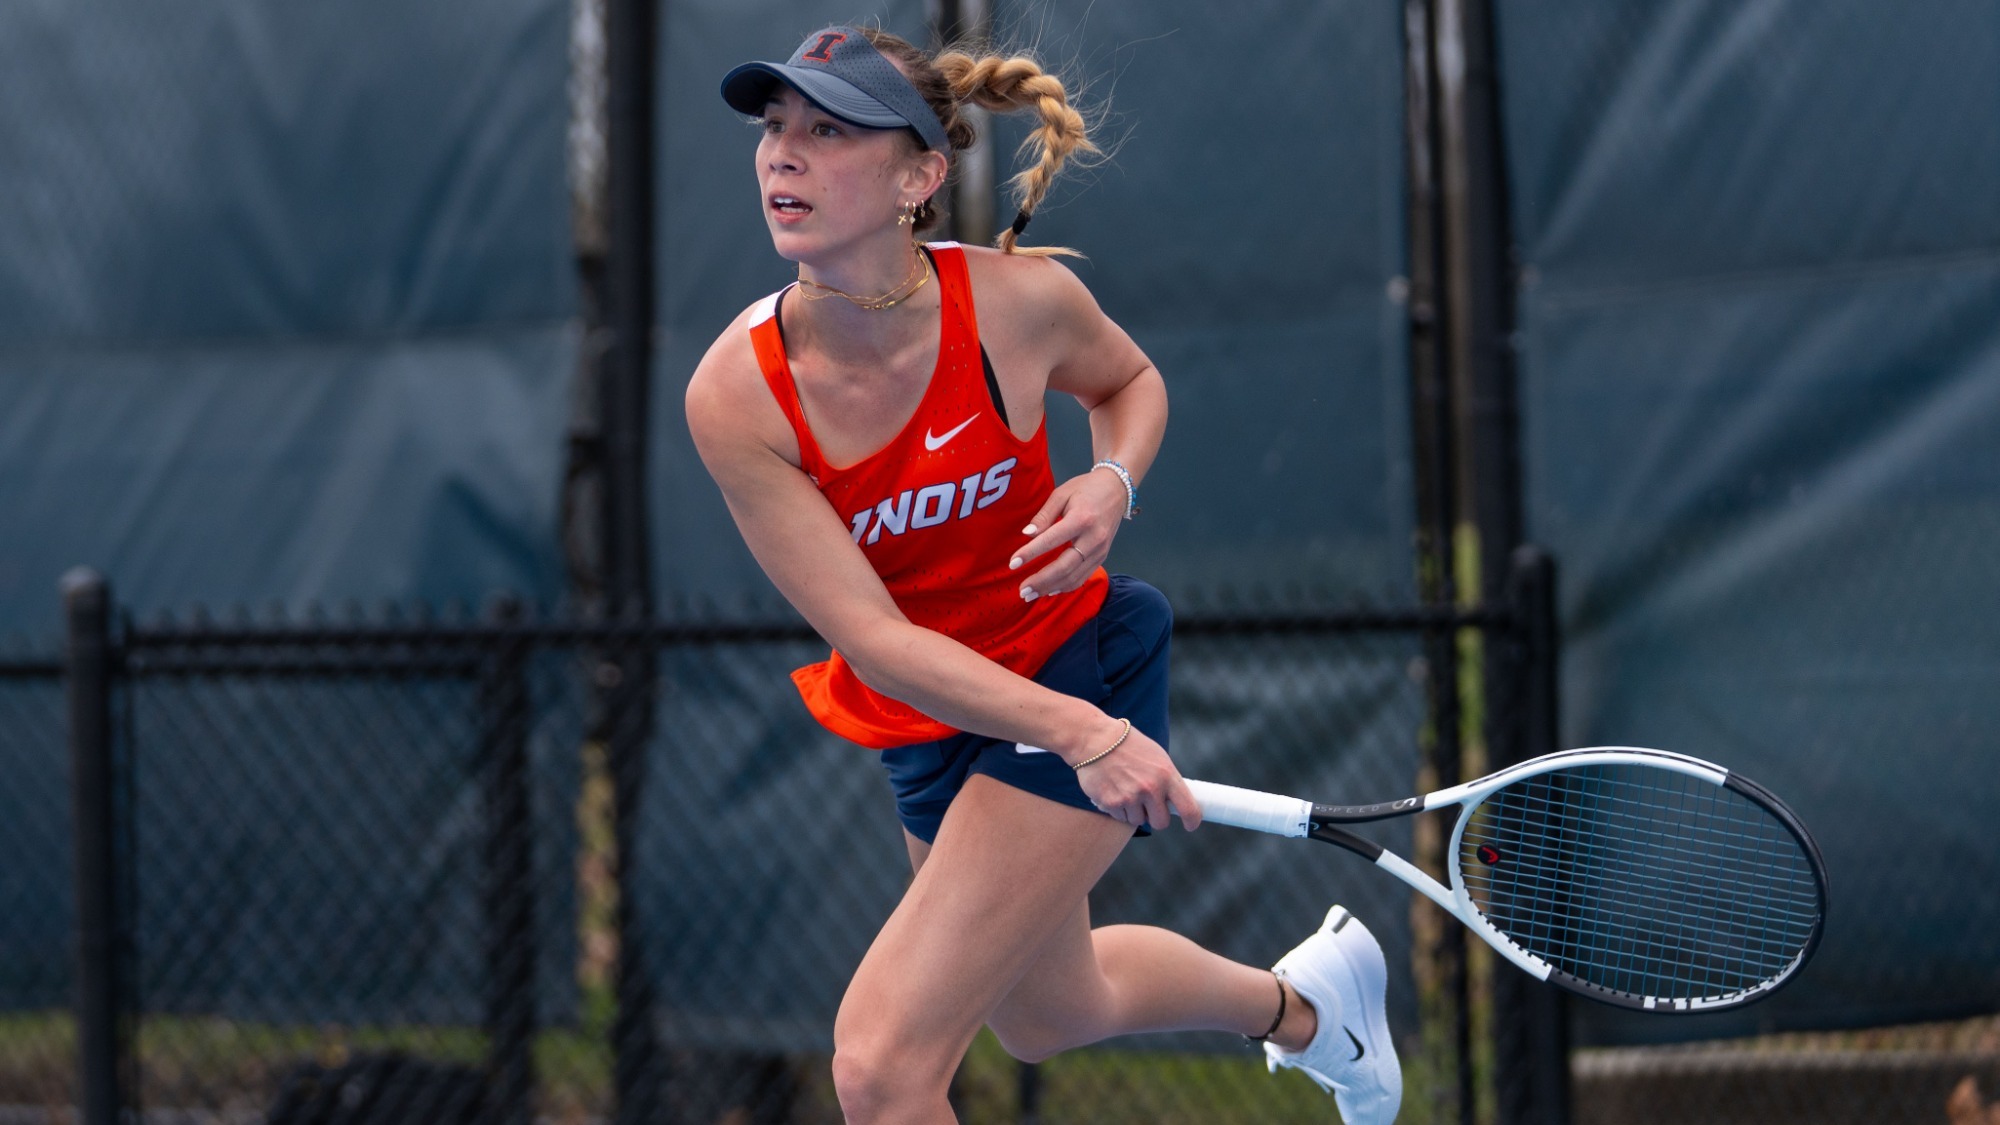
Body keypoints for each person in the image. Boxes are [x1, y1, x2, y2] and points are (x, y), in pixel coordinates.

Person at [685, 24, 1403, 1125]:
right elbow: (875, 641)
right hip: (937, 716)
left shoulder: (1015, 307)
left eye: (826, 130)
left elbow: (1131, 382)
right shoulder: (737, 396)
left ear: (919, 176)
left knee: (880, 1069)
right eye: (774, 128)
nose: (781, 154)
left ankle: (1314, 1016)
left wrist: (1112, 479)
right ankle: (1310, 1011)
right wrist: (1082, 740)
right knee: (1048, 1013)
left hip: (1077, 661)